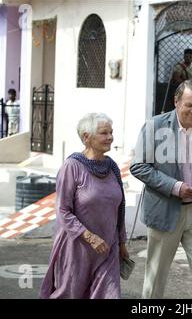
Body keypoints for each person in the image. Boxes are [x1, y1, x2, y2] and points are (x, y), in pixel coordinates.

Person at [130, 79, 192, 299]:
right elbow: (138, 166)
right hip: (166, 211)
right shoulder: (155, 126)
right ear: (176, 101)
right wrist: (176, 187)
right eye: (189, 105)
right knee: (156, 277)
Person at [39, 112, 129, 299]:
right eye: (104, 133)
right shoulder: (72, 166)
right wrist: (90, 237)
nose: (110, 137)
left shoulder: (111, 166)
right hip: (77, 248)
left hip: (107, 248)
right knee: (70, 294)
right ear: (86, 137)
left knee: (110, 295)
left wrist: (121, 242)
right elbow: (63, 210)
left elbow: (120, 207)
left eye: (111, 132)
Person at [161, 49, 192, 114]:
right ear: (184, 57)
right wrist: (186, 83)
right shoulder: (179, 67)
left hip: (191, 92)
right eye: (187, 56)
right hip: (181, 91)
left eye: (190, 57)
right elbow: (176, 78)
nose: (188, 58)